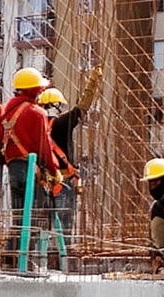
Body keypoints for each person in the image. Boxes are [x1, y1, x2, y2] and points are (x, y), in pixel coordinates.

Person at [0, 68, 61, 241]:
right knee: (33, 219)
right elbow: (44, 148)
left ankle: (13, 251)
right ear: (35, 90)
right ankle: (28, 252)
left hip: (13, 169)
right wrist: (54, 170)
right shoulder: (37, 113)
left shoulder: (2, 110)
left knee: (18, 216)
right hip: (30, 169)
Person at [37, 65, 102, 239]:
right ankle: (64, 252)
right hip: (63, 180)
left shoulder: (35, 126)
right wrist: (93, 81)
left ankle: (43, 253)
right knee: (64, 225)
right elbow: (83, 107)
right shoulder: (63, 123)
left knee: (42, 225)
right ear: (57, 105)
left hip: (42, 182)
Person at [141, 157, 164, 271]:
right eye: (151, 183)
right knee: (158, 223)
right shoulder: (158, 209)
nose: (153, 188)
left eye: (156, 182)